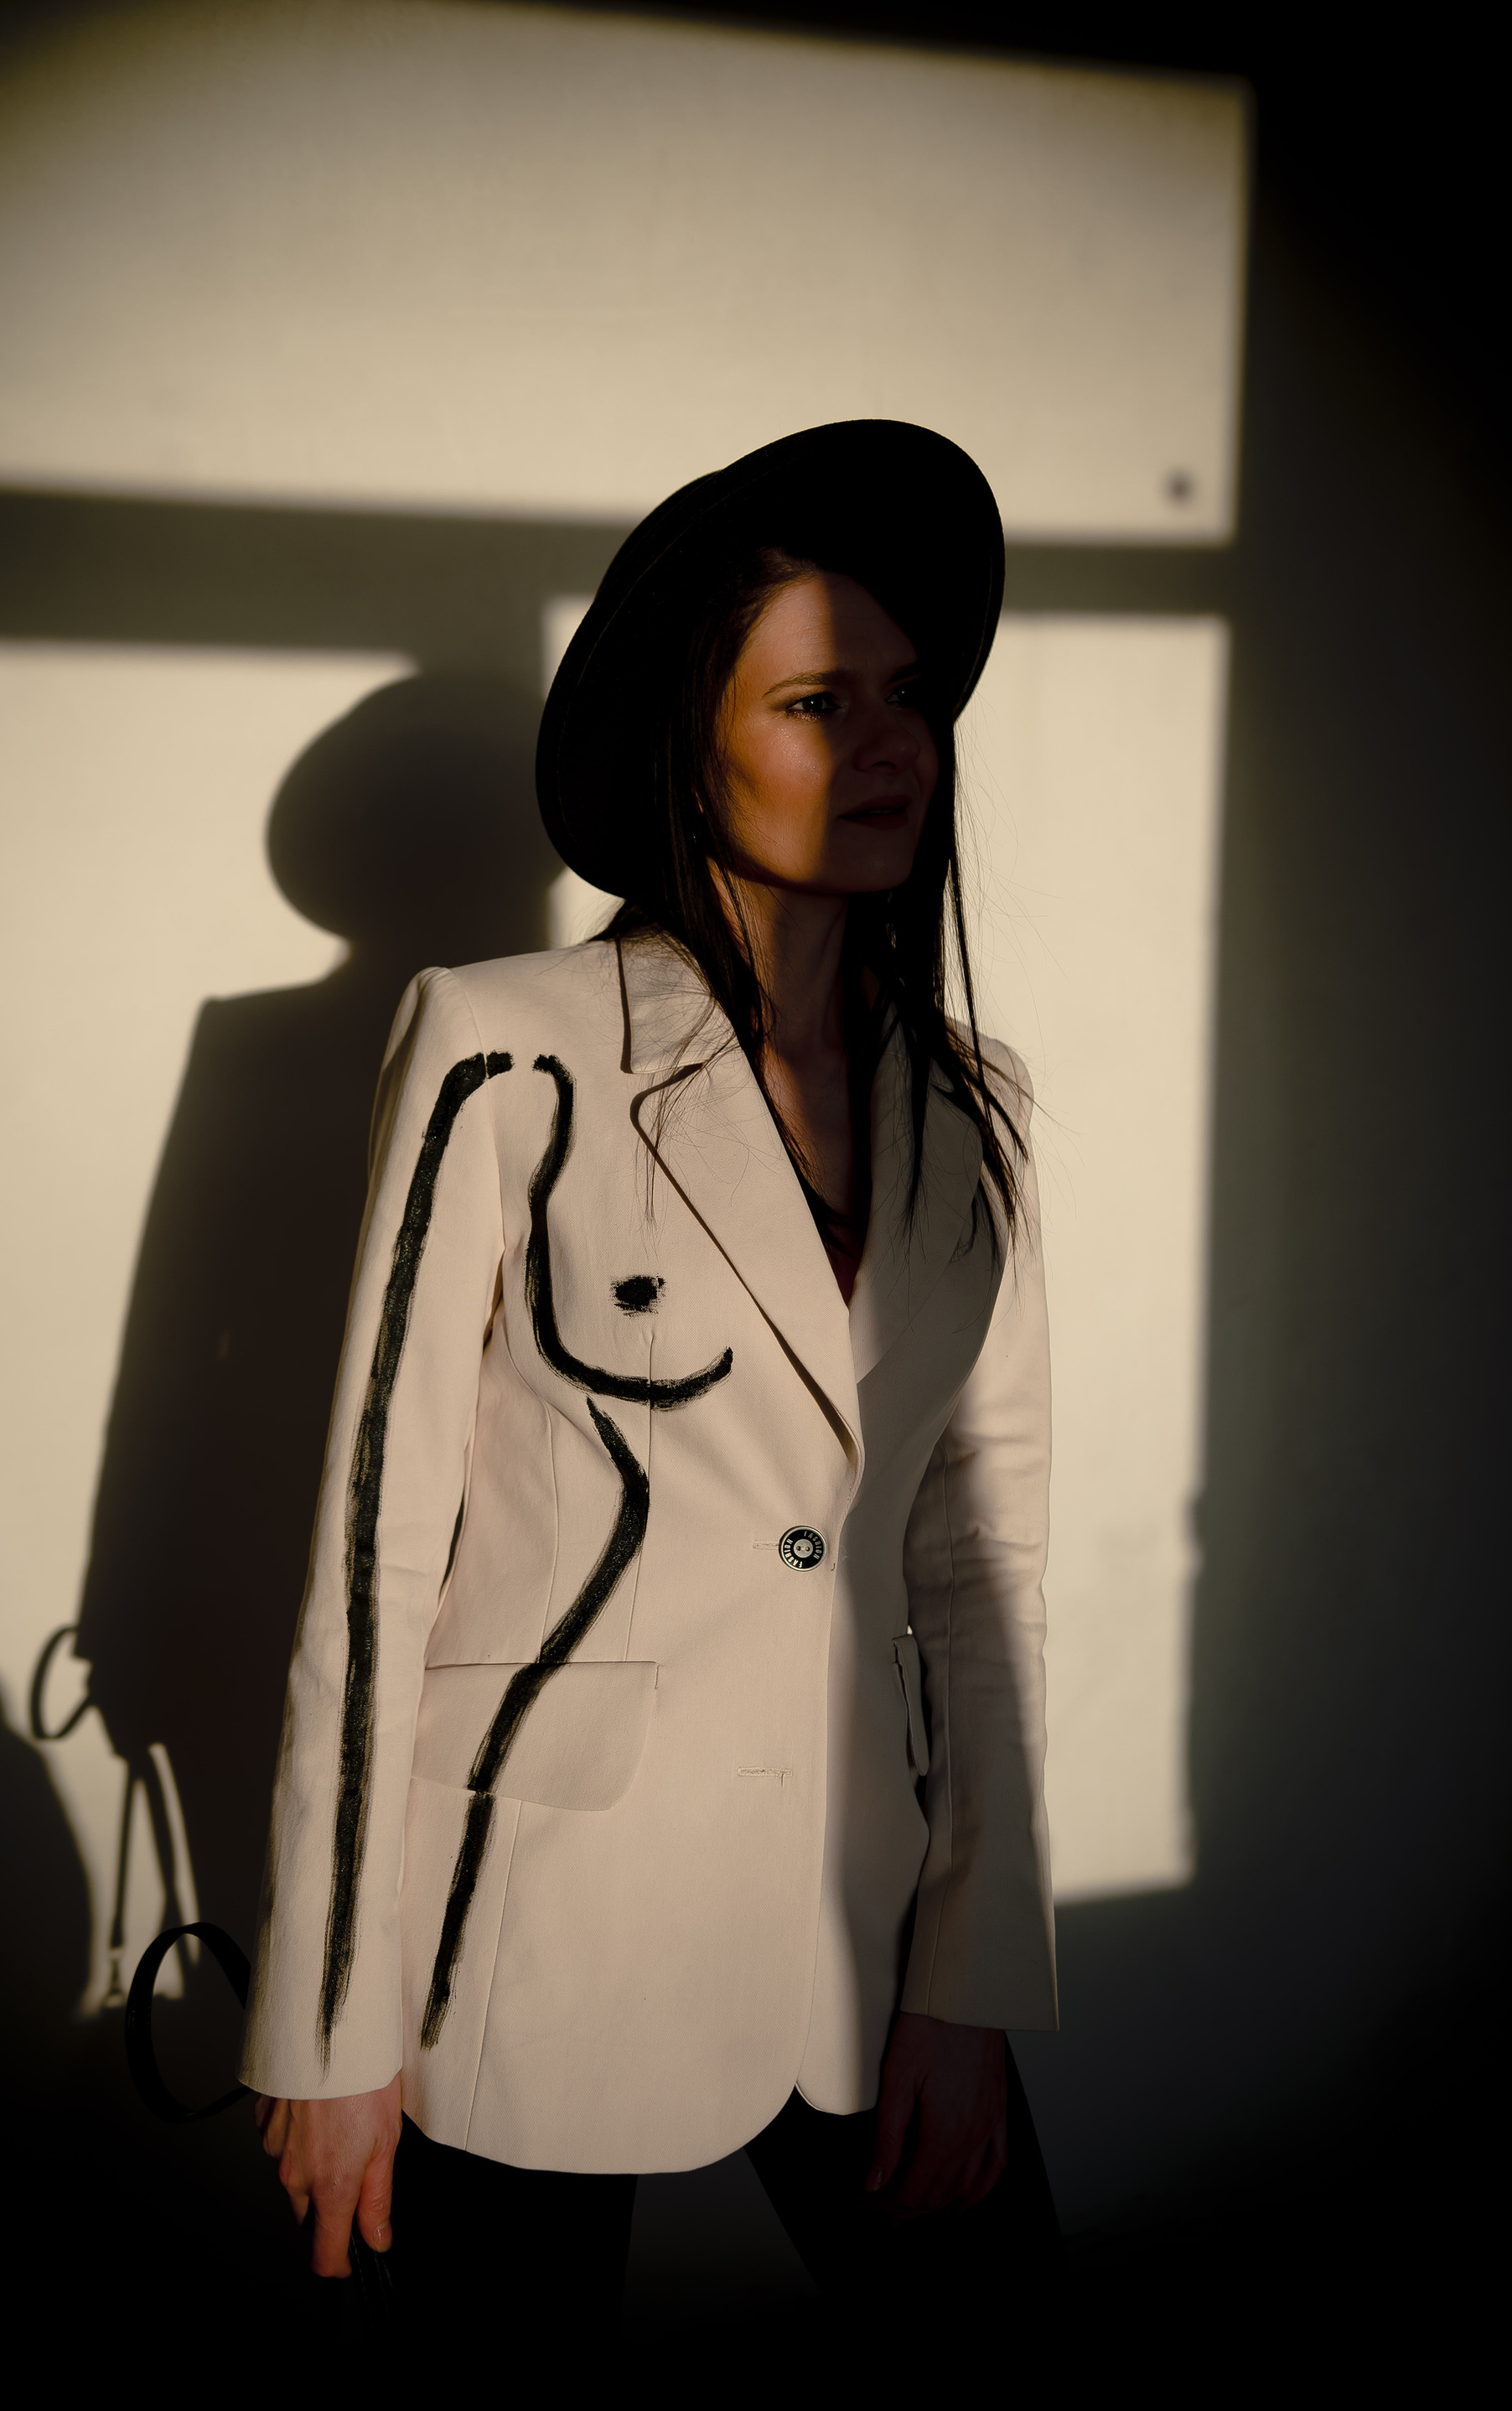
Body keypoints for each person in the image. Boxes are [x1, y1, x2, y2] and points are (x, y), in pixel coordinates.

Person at [244, 420, 1059, 2337]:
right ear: (693, 749)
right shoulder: (496, 1047)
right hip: (521, 1931)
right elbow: (373, 1555)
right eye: (818, 702)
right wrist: (329, 2023)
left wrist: (973, 1978)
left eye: (910, 696)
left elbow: (983, 1559)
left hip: (864, 1930)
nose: (889, 744)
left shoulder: (973, 1107)